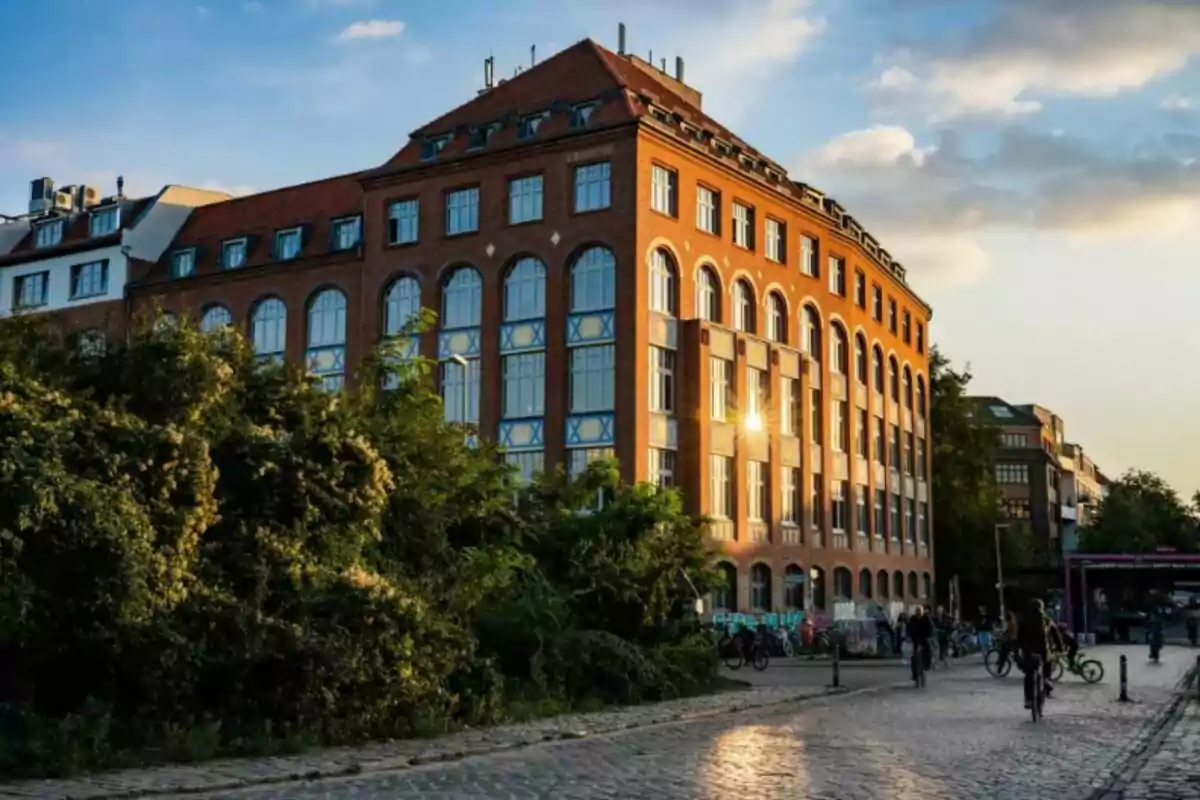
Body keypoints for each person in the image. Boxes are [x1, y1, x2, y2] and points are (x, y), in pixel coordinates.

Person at [1018, 599, 1055, 709]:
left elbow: (1019, 637)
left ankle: (1029, 700)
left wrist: (1018, 649)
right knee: (1048, 663)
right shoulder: (1047, 620)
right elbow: (1056, 634)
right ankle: (1047, 680)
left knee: (1029, 674)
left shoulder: (1024, 620)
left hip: (1028, 651)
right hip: (1043, 651)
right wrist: (1060, 647)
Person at [907, 605, 934, 679]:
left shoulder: (926, 618)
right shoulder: (913, 618)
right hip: (915, 639)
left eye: (920, 611)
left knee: (928, 651)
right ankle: (915, 674)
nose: (918, 613)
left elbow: (930, 628)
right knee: (913, 657)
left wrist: (928, 636)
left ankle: (927, 666)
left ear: (922, 611)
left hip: (924, 638)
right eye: (917, 611)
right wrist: (909, 636)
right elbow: (909, 627)